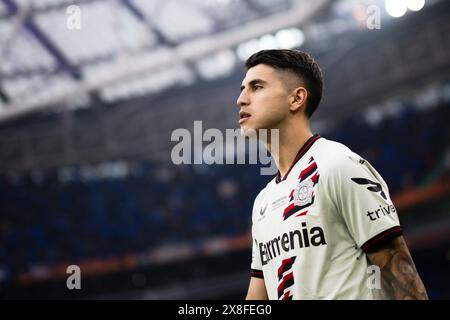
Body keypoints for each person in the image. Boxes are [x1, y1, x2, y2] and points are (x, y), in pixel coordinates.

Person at [236, 49, 428, 300]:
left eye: (257, 87)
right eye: (242, 89)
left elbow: (405, 280)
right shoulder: (262, 202)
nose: (241, 99)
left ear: (296, 99)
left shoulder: (339, 166)